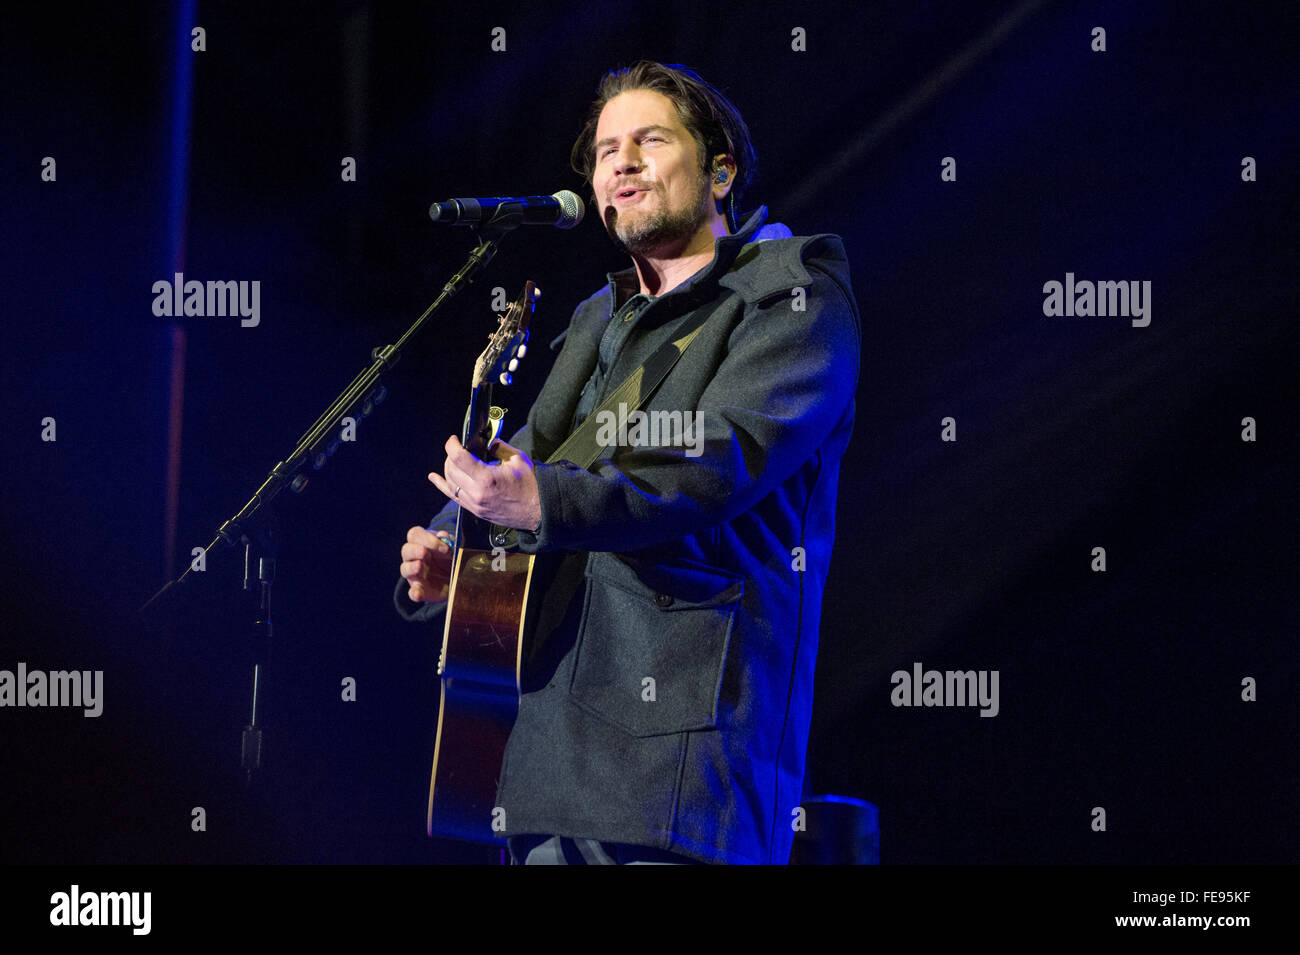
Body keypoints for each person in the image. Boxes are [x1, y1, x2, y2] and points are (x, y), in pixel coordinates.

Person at [395, 60, 860, 864]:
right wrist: (454, 551)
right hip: (540, 751)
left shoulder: (793, 296)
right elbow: (535, 452)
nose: (622, 163)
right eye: (607, 151)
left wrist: (536, 503)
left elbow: (712, 464)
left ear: (722, 171)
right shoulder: (599, 318)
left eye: (649, 140)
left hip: (674, 767)